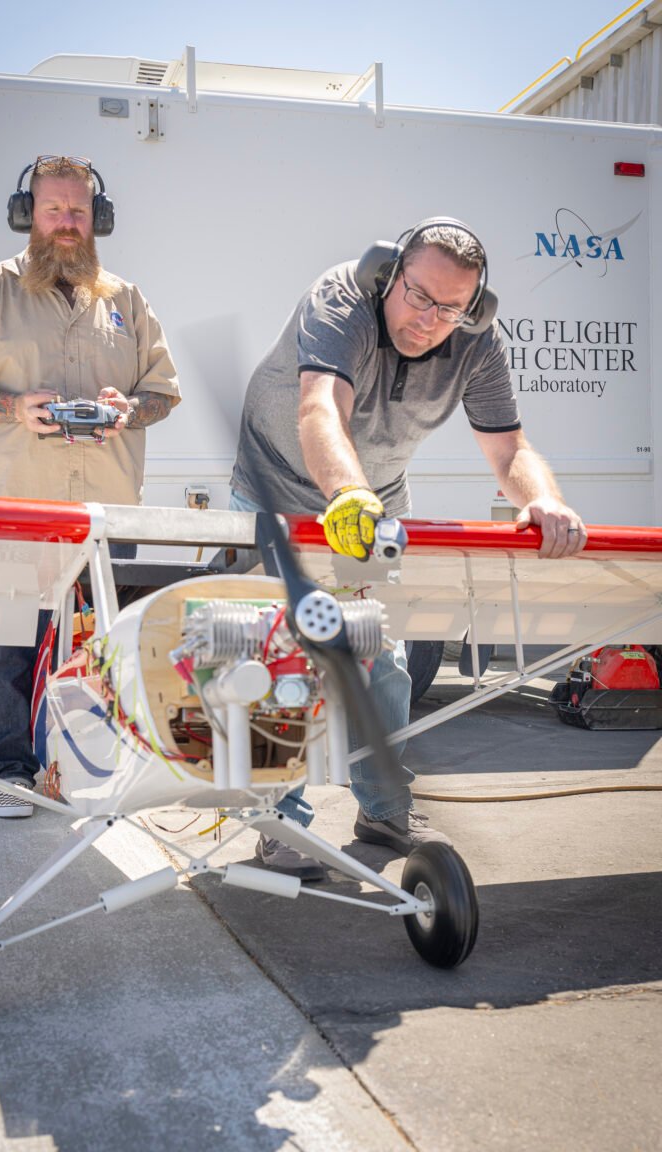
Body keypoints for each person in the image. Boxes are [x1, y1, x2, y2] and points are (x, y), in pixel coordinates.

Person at [231, 217, 587, 878]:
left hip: (375, 500)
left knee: (383, 660)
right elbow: (321, 408)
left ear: (473, 306)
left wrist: (543, 499)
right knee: (280, 655)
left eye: (451, 308)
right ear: (387, 273)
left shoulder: (476, 341)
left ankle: (385, 808)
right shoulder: (342, 298)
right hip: (276, 490)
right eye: (419, 296)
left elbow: (508, 446)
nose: (430, 319)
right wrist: (346, 492)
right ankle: (278, 822)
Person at [0, 155, 180, 818]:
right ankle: (10, 772)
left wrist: (129, 409)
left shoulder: (127, 301)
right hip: (15, 508)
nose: (67, 222)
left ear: (98, 218)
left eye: (79, 211)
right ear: (27, 214)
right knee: (11, 644)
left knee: (102, 645)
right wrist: (13, 407)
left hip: (104, 511)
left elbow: (162, 393)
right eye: (54, 209)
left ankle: (93, 765)